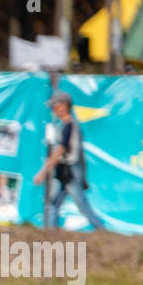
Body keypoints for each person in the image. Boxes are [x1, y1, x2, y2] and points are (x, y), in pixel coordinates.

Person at [34, 90, 105, 231]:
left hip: (70, 171)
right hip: (66, 170)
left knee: (83, 208)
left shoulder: (69, 126)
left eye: (55, 105)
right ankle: (50, 235)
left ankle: (105, 234)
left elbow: (60, 150)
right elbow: (80, 155)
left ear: (64, 105)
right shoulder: (66, 126)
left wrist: (43, 171)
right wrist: (83, 177)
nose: (54, 109)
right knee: (53, 205)